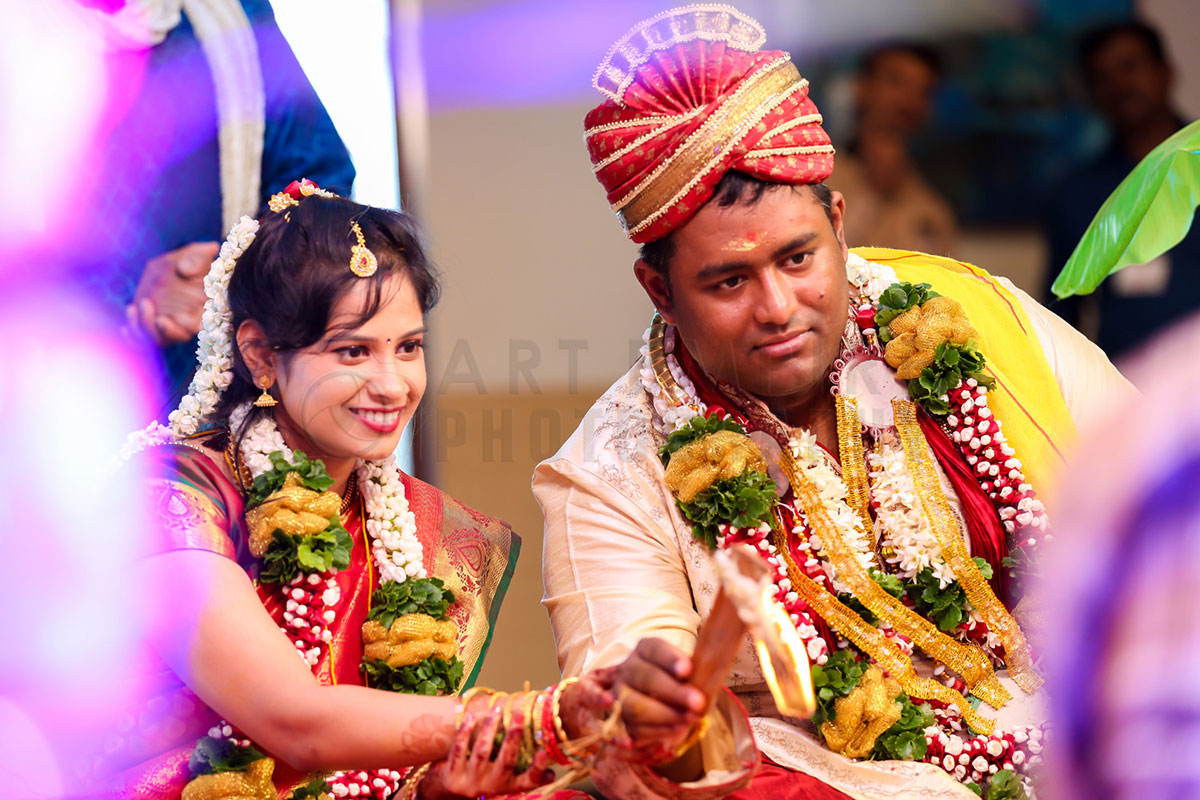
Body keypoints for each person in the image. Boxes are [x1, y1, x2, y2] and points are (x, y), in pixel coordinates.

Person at [536, 6, 1130, 799]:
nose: (778, 308)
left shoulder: (973, 321)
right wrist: (654, 704)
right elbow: (628, 696)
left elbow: (1164, 500)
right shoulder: (611, 470)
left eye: (798, 258)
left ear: (839, 227)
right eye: (728, 281)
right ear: (660, 291)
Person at [103, 181, 754, 798]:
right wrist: (553, 717)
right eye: (352, 352)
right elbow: (293, 721)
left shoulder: (417, 529)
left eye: (409, 347)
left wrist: (437, 784)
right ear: (261, 356)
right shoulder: (169, 498)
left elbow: (384, 767)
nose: (393, 385)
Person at [66, 0, 355, 399]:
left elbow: (319, 187)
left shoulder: (233, 14)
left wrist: (231, 272)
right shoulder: (22, 36)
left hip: (212, 389)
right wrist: (128, 301)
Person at [1043, 19, 1200, 360]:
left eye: (1130, 66)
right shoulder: (1077, 193)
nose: (1119, 85)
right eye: (1101, 77)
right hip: (1124, 378)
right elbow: (1059, 314)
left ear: (1166, 73)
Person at [826, 42, 957, 256]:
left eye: (922, 91)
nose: (908, 100)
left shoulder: (932, 211)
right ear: (861, 86)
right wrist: (872, 193)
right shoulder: (814, 181)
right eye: (896, 82)